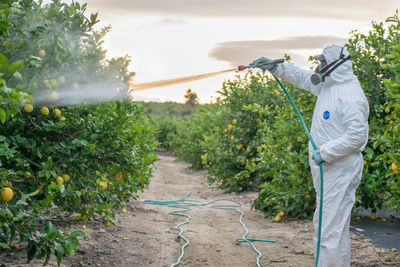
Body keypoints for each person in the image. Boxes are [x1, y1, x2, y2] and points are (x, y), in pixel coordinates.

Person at [250, 44, 369, 267]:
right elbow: (304, 78)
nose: (319, 66)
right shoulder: (330, 86)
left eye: (322, 62)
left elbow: (357, 137)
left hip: (339, 168)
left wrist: (324, 153)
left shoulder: (350, 95)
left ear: (336, 65)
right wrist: (277, 67)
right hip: (329, 169)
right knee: (331, 226)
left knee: (329, 229)